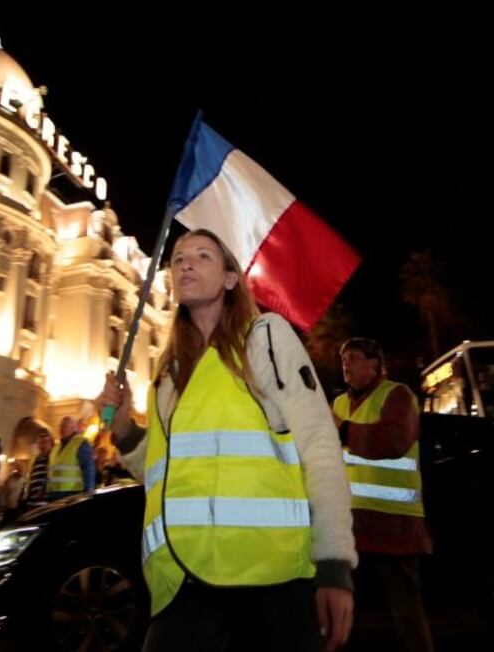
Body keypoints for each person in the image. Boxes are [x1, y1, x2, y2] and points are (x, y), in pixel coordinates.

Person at [97, 229, 355, 651]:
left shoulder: (265, 339)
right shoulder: (167, 375)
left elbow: (320, 450)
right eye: (178, 257)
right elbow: (164, 474)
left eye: (202, 255)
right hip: (179, 582)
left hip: (271, 584)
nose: (185, 263)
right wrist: (123, 427)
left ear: (231, 279)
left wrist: (334, 564)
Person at [332, 337, 432, 652]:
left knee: (406, 612)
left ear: (375, 364)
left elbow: (392, 441)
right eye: (343, 358)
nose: (346, 364)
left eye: (354, 357)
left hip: (394, 526)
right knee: (341, 608)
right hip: (350, 525)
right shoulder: (338, 405)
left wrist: (342, 430)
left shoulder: (398, 395)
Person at [46, 416, 96, 500]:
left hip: (72, 493)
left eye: (65, 426)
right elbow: (50, 470)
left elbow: (88, 468)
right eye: (61, 426)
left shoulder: (80, 442)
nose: (61, 428)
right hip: (54, 494)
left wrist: (89, 492)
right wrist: (45, 489)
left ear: (73, 428)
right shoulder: (56, 447)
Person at [21, 424, 54, 509]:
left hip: (45, 501)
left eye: (44, 442)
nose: (42, 444)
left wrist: (43, 490)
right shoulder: (35, 459)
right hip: (31, 501)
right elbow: (29, 478)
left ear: (50, 442)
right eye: (40, 442)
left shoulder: (52, 457)